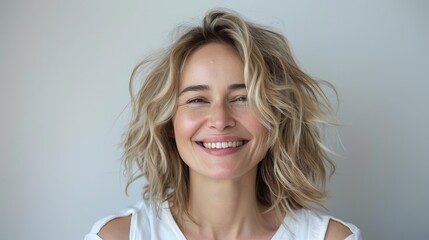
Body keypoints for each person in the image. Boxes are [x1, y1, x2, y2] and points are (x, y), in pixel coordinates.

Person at [85, 9, 361, 240]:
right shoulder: (116, 237)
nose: (220, 120)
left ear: (277, 116)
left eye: (242, 98)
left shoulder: (332, 238)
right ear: (170, 123)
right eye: (197, 100)